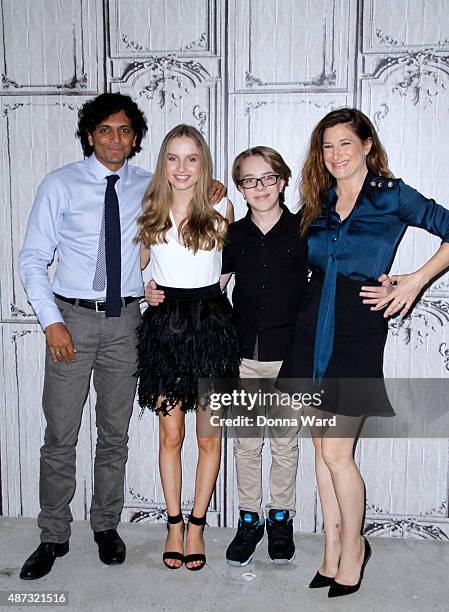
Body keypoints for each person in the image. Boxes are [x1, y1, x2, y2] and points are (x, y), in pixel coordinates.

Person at [18, 93, 226, 581]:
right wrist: (50, 321)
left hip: (131, 323)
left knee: (115, 434)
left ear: (136, 139)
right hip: (70, 320)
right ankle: (53, 534)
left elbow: (188, 215)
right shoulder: (59, 184)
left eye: (125, 130)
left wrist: (212, 187)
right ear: (89, 134)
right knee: (60, 434)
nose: (115, 138)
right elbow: (32, 259)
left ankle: (106, 526)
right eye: (105, 130)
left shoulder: (149, 187)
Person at [278, 107, 449, 597]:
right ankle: (331, 551)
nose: (336, 155)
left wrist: (414, 281)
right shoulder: (321, 198)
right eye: (327, 146)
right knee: (320, 450)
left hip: (357, 326)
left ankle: (354, 549)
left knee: (337, 451)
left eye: (345, 144)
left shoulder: (391, 196)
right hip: (311, 324)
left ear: (367, 145)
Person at [146, 146, 309, 566]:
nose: (261, 187)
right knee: (246, 443)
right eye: (250, 181)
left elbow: (317, 291)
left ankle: (280, 518)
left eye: (269, 178)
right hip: (240, 353)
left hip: (288, 353)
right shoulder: (233, 232)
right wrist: (155, 292)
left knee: (285, 443)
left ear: (283, 179)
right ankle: (249, 518)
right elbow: (211, 279)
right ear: (239, 187)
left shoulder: (304, 231)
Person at [136, 124, 240, 571]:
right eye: (173, 158)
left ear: (203, 164)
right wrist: (147, 289)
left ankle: (197, 525)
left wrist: (206, 299)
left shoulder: (222, 206)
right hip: (165, 328)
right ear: (163, 164)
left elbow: (226, 270)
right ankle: (173, 524)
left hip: (211, 325)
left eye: (191, 158)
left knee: (207, 436)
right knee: (171, 434)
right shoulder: (149, 211)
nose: (182, 168)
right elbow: (136, 269)